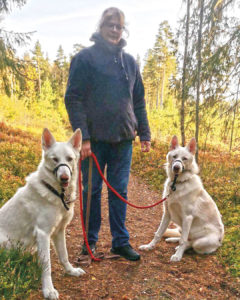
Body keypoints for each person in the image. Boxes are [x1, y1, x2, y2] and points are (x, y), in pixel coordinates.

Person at [65, 7, 151, 261]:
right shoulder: (85, 59)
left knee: (119, 190)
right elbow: (73, 98)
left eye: (119, 26)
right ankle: (89, 243)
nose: (115, 30)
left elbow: (138, 101)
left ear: (123, 30)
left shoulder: (130, 62)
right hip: (94, 141)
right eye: (110, 25)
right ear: (101, 27)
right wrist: (84, 138)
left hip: (124, 139)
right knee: (91, 191)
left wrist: (144, 132)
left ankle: (120, 242)